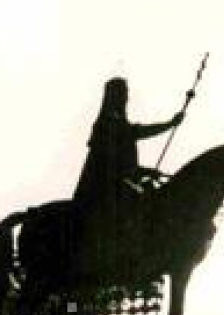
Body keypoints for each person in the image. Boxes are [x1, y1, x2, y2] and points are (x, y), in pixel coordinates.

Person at [72, 77, 185, 214]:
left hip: (116, 186)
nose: (126, 98)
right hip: (103, 191)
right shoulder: (109, 124)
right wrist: (170, 124)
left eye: (126, 94)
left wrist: (146, 171)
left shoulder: (117, 123)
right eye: (123, 94)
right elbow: (137, 133)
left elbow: (123, 165)